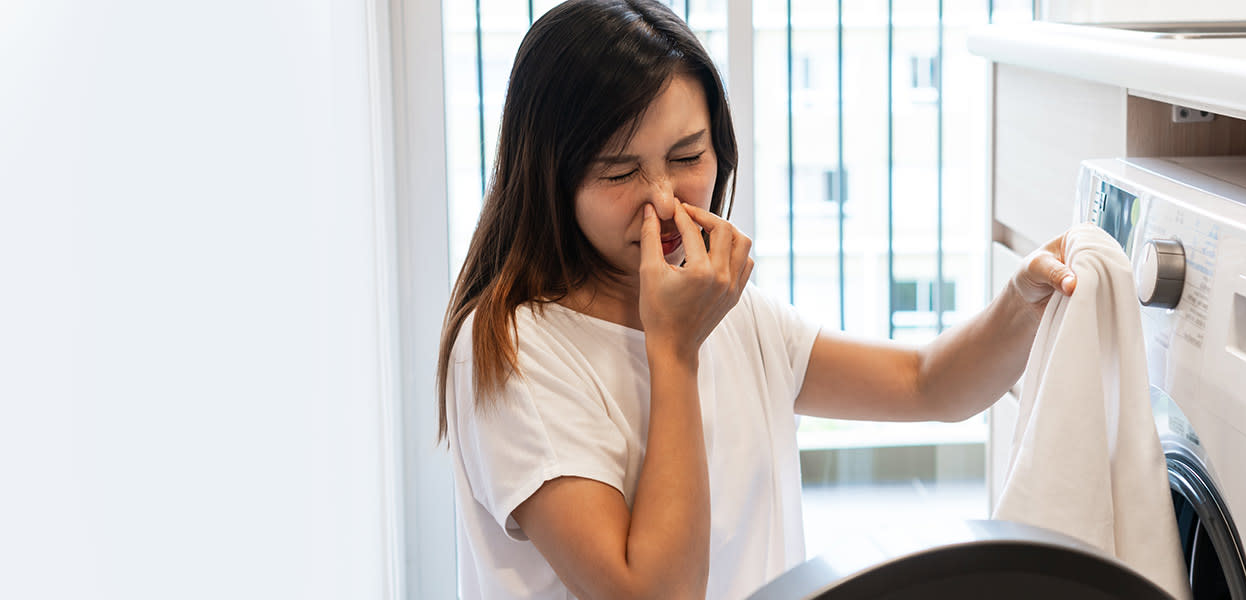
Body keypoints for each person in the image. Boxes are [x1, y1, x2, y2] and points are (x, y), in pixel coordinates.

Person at [435, 1, 1078, 598]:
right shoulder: (513, 347)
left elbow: (926, 385)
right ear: (550, 176)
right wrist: (675, 347)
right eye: (620, 172)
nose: (665, 199)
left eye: (688, 155)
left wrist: (1022, 298)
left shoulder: (730, 310)